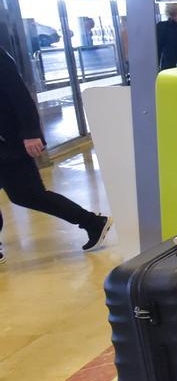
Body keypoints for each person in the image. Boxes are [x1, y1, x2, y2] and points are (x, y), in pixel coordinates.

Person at [0, 48, 111, 263]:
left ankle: (92, 223)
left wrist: (31, 132)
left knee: (27, 194)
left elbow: (19, 95)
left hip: (7, 142)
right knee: (25, 194)